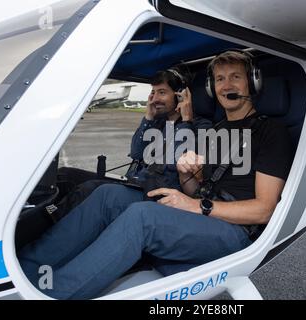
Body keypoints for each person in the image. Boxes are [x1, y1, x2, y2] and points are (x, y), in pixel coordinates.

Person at [18, 50, 294, 300]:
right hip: (205, 214)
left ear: (253, 83)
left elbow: (264, 210)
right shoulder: (216, 131)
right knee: (107, 196)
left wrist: (197, 204)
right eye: (220, 79)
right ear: (212, 88)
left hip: (236, 231)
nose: (227, 85)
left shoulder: (271, 132)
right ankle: (25, 273)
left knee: (143, 217)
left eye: (236, 77)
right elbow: (194, 192)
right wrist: (188, 177)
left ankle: (55, 294)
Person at [49, 69, 212, 221]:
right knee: (64, 175)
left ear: (180, 96)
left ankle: (51, 223)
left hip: (156, 193)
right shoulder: (158, 122)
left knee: (90, 189)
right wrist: (148, 118)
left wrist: (185, 121)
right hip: (135, 182)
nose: (155, 99)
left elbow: (173, 161)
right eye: (153, 93)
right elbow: (136, 152)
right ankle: (47, 215)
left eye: (162, 92)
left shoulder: (200, 126)